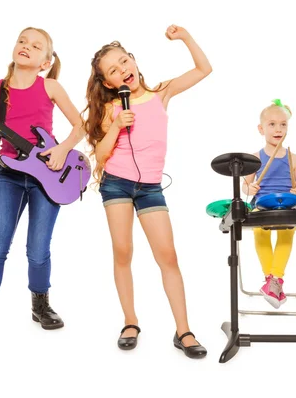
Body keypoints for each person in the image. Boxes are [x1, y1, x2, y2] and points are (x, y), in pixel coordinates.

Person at [0, 27, 86, 369]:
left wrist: (62, 150)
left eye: (36, 45)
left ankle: (40, 303)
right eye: (22, 41)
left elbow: (80, 126)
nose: (26, 47)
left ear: (46, 61)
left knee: (38, 250)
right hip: (9, 176)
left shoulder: (51, 86)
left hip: (48, 178)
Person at [82, 25, 212, 358]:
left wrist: (185, 37)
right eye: (114, 70)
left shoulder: (160, 94)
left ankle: (184, 330)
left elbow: (203, 69)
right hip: (117, 183)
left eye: (124, 61)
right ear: (109, 84)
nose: (123, 70)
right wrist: (114, 126)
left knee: (168, 256)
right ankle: (130, 320)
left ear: (134, 62)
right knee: (123, 251)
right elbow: (100, 155)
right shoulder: (112, 109)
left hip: (151, 186)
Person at [242, 100, 296, 308]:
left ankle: (273, 281)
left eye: (283, 124)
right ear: (261, 129)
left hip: (287, 206)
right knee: (261, 233)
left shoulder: (294, 158)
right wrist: (249, 189)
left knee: (286, 234)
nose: (278, 129)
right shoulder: (254, 158)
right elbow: (246, 185)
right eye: (272, 124)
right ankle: (274, 282)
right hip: (262, 205)